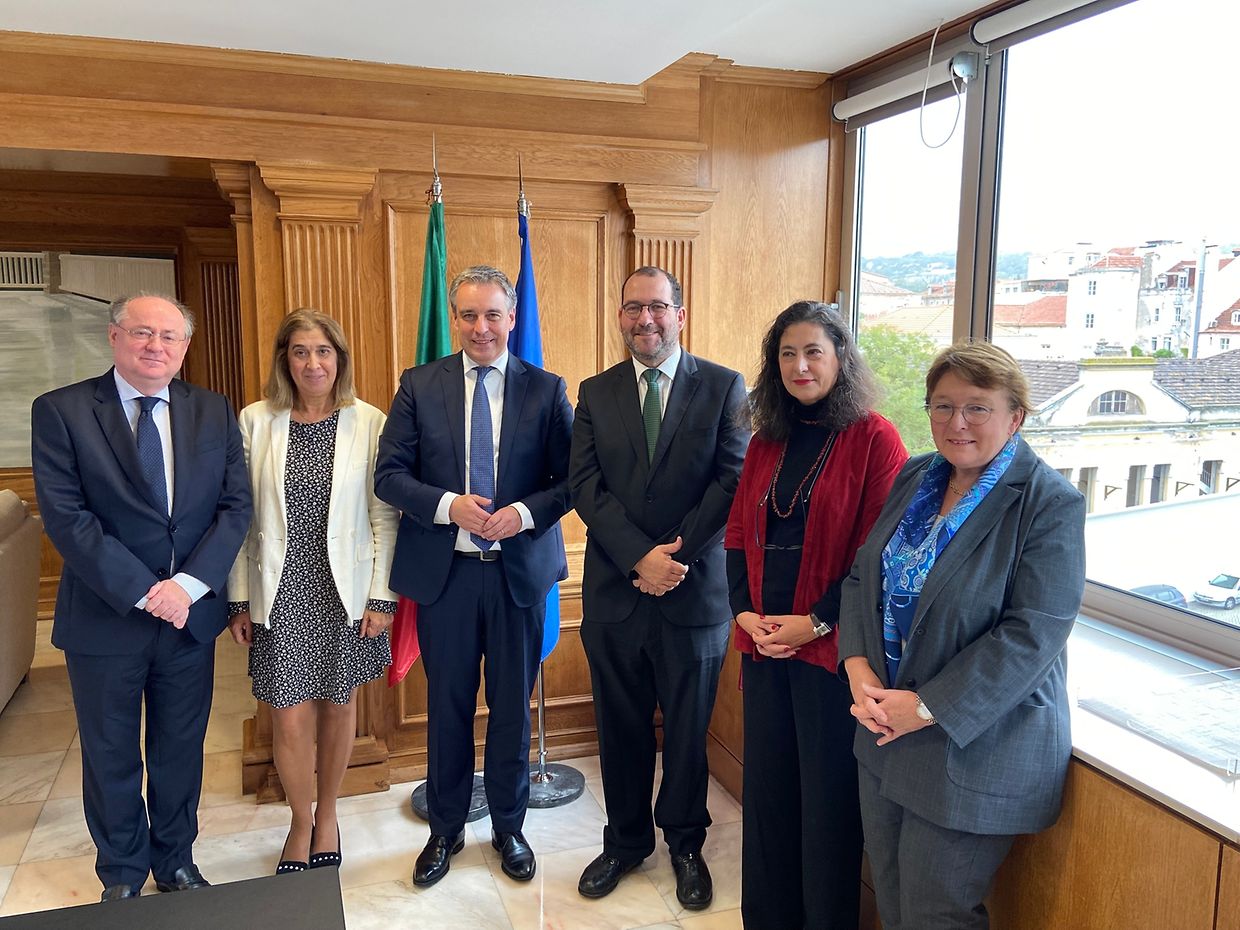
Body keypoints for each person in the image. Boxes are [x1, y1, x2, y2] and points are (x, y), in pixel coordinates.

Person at [839, 341, 1086, 930]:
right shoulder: (917, 473)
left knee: (935, 914)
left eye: (977, 407)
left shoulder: (1049, 503)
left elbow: (1034, 634)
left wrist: (924, 707)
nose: (957, 423)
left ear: (1015, 416)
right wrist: (857, 665)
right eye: (942, 406)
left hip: (972, 746)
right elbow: (861, 575)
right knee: (892, 896)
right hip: (883, 730)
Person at [30, 293, 251, 902]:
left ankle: (175, 860)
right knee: (110, 753)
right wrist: (145, 591)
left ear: (185, 347)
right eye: (142, 333)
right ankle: (123, 873)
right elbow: (67, 519)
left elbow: (235, 510)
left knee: (180, 748)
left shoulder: (212, 410)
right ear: (114, 337)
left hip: (189, 617)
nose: (156, 346)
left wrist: (186, 587)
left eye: (170, 337)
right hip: (105, 617)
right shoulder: (63, 411)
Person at [375, 265, 573, 888]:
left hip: (517, 575)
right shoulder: (418, 384)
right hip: (447, 576)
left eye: (493, 314)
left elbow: (571, 482)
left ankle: (510, 828)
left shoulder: (546, 389)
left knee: (512, 709)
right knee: (448, 705)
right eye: (468, 315)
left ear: (512, 318)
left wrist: (521, 513)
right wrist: (446, 506)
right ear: (454, 318)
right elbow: (389, 474)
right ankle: (447, 828)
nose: (480, 327)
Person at [570, 265, 748, 911]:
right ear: (620, 317)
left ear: (680, 313)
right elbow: (585, 485)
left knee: (687, 730)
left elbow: (732, 481)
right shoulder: (594, 392)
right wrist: (637, 557)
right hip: (616, 595)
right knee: (618, 728)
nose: (645, 319)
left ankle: (685, 843)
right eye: (632, 308)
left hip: (694, 593)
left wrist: (672, 557)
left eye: (658, 308)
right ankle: (624, 843)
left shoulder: (726, 387)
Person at [724, 301, 907, 928]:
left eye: (814, 352)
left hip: (833, 656)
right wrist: (745, 614)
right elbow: (736, 538)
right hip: (765, 645)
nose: (800, 366)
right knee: (769, 803)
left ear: (840, 359)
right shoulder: (766, 437)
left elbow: (875, 554)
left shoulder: (875, 437)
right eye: (787, 354)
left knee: (827, 808)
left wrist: (816, 622)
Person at [226, 309, 398, 874]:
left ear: (339, 359)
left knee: (340, 704)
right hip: (279, 588)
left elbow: (383, 516)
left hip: (344, 588)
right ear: (285, 359)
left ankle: (329, 814)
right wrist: (237, 597)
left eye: (323, 351)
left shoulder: (368, 421)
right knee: (289, 716)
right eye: (300, 351)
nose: (312, 363)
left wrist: (381, 596)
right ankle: (300, 823)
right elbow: (238, 519)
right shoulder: (256, 421)